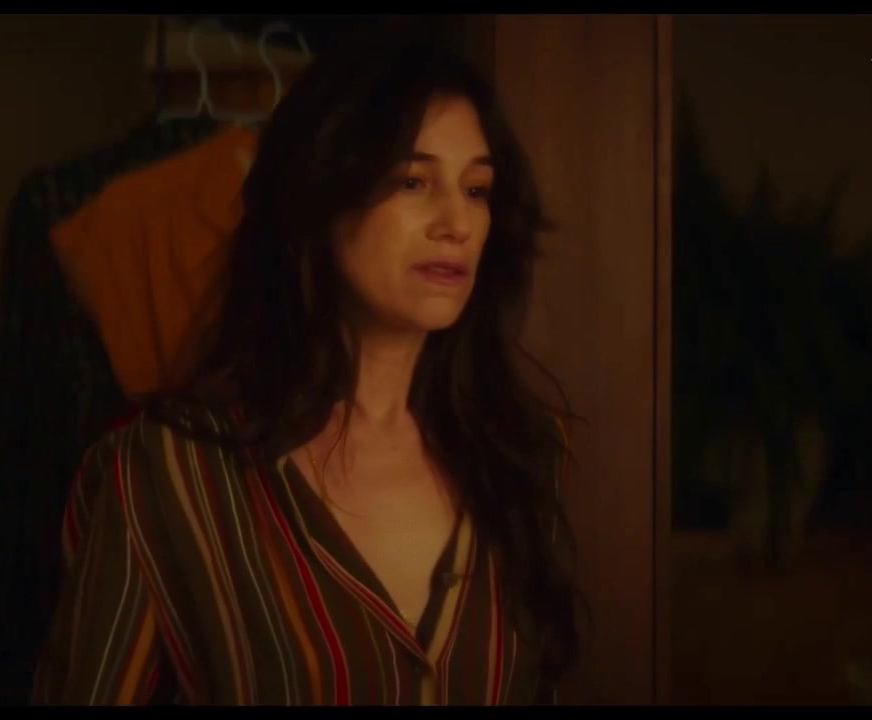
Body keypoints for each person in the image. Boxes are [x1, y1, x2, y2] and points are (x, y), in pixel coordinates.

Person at [31, 26, 580, 706]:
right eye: (413, 181)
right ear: (318, 195)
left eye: (476, 189)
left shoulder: (520, 457)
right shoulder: (170, 473)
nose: (456, 223)